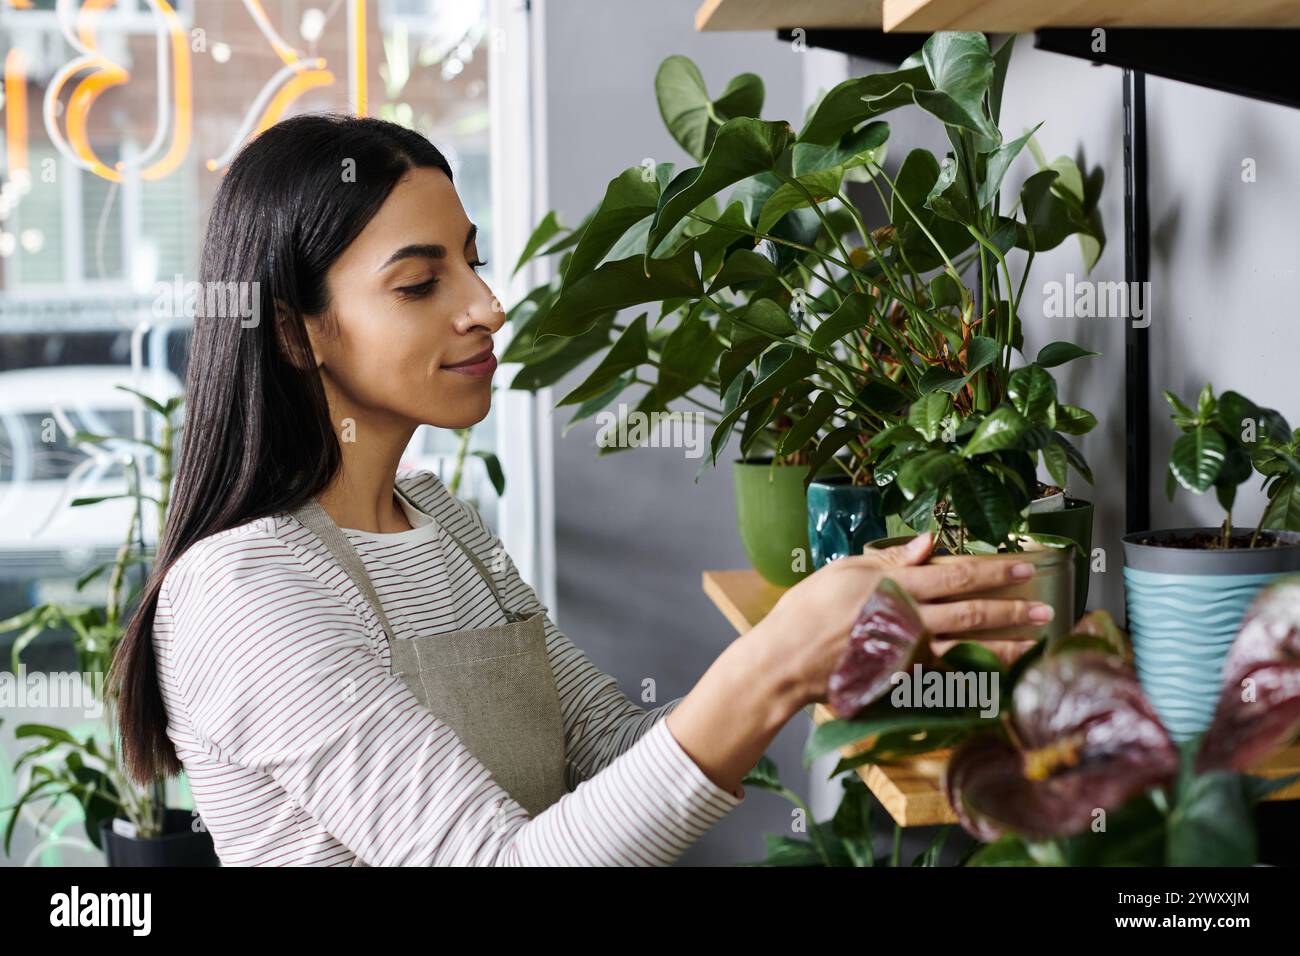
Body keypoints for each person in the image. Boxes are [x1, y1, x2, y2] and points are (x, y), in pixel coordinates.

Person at [111, 114, 1054, 866]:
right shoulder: (244, 593)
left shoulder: (439, 519)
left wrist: (815, 644)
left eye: (471, 259)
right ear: (295, 331)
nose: (486, 303)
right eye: (418, 285)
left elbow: (603, 746)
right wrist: (772, 669)